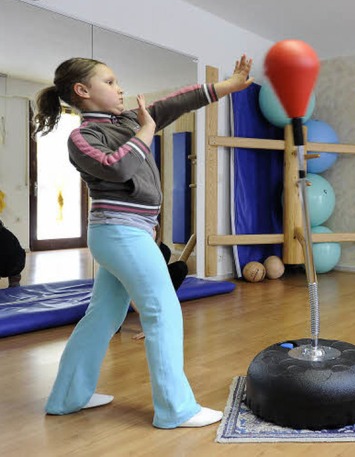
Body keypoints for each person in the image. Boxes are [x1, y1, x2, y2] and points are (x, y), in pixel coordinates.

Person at [34, 55, 253, 428]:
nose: (120, 88)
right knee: (162, 310)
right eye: (110, 81)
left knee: (103, 315)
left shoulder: (128, 122)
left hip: (129, 232)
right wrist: (146, 131)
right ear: (82, 91)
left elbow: (175, 102)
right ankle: (175, 409)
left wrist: (226, 87)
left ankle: (68, 397)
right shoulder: (82, 137)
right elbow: (117, 167)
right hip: (118, 232)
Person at [0, 218, 26, 288]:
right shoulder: (7, 233)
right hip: (17, 264)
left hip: (12, 263)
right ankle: (15, 288)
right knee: (15, 282)